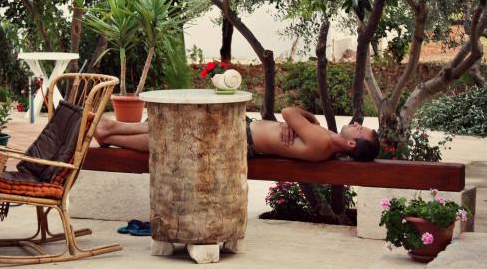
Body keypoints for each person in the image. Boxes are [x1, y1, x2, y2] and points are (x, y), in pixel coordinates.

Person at [94, 106, 380, 162]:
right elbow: (291, 117)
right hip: (243, 132)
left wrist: (303, 121)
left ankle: (110, 133)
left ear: (351, 143)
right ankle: (112, 129)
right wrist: (304, 123)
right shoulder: (326, 140)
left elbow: (288, 110)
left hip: (241, 138)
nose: (357, 123)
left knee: (176, 139)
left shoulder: (322, 141)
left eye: (360, 129)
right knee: (178, 127)